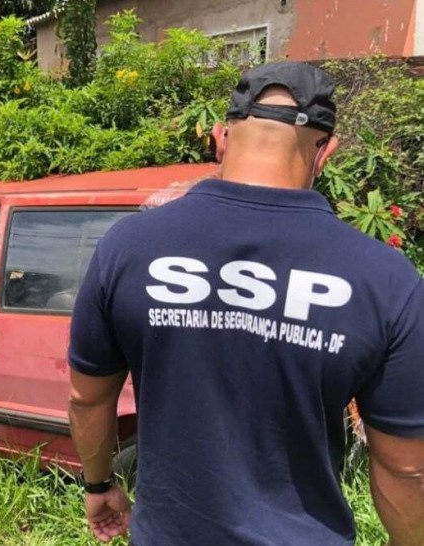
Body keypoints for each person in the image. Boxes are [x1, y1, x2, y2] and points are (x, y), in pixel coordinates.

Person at [67, 61, 424, 545]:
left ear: (220, 138)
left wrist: (99, 483)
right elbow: (406, 468)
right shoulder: (385, 279)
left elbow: (88, 396)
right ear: (327, 153)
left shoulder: (128, 246)